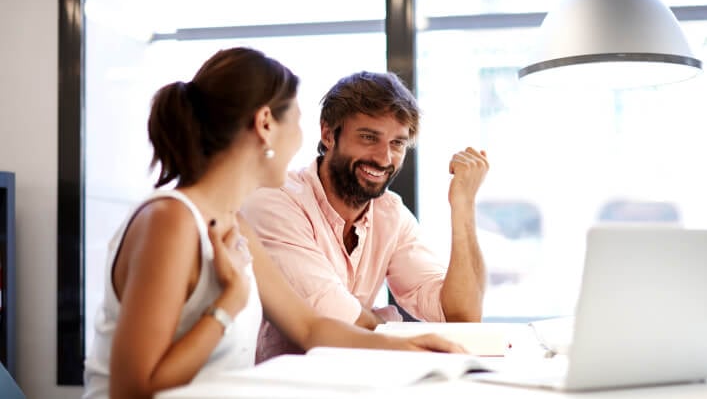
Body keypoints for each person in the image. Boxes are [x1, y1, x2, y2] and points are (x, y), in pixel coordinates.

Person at [82, 49, 463, 399]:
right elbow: (131, 390)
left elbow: (310, 327)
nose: (301, 141)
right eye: (296, 121)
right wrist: (227, 305)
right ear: (265, 123)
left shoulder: (233, 224)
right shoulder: (171, 221)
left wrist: (411, 346)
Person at [240, 71, 489, 362]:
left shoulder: (390, 214)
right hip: (279, 387)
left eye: (397, 143)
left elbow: (461, 315)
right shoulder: (276, 200)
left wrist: (463, 206)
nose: (384, 159)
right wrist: (397, 331)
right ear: (328, 134)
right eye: (369, 137)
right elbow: (334, 319)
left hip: (354, 381)